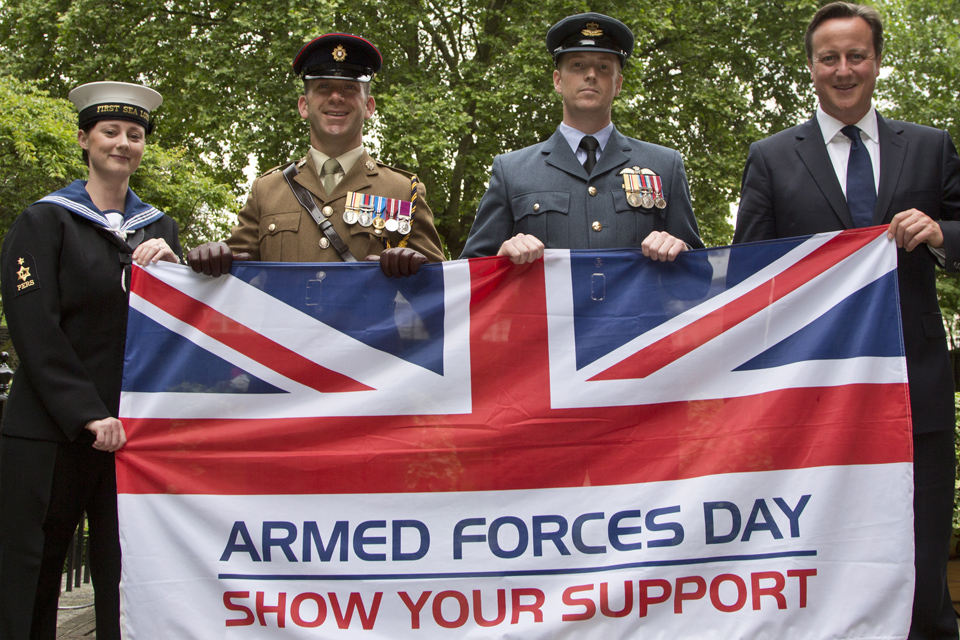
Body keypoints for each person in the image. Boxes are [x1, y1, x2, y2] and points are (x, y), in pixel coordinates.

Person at [733, 3, 960, 637]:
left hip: (914, 385)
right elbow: (752, 275)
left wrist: (942, 233)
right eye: (829, 57)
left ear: (877, 62)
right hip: (813, 391)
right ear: (810, 67)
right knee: (823, 542)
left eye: (856, 55)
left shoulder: (931, 147)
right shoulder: (772, 158)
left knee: (920, 543)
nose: (843, 70)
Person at [0, 81, 182, 640]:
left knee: (125, 577)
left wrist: (176, 272)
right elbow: (34, 327)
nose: (123, 143)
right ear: (84, 139)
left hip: (130, 436)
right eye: (110, 132)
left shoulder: (159, 229)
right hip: (51, 430)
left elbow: (175, 330)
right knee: (31, 572)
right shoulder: (44, 221)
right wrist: (86, 412)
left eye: (135, 134)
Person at [188, 33, 445, 278]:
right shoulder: (267, 191)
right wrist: (209, 258)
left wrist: (416, 272)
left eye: (350, 87)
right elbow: (229, 275)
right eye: (323, 87)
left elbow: (442, 293)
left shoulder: (402, 190)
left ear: (369, 107)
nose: (336, 97)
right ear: (304, 105)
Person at [460, 12, 703, 263]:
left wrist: (682, 251)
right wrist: (500, 258)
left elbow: (700, 278)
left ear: (618, 84)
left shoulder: (665, 165)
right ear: (557, 80)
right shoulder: (512, 171)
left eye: (603, 67)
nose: (590, 75)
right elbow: (469, 277)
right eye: (577, 65)